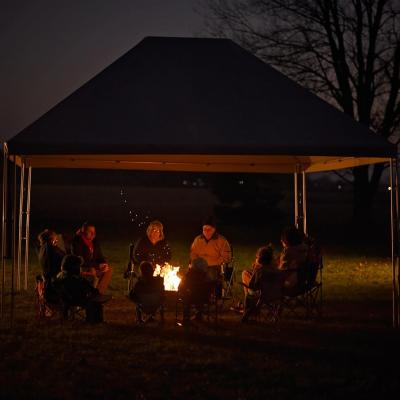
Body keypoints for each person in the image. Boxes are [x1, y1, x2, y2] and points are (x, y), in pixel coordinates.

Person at [55, 254, 110, 323]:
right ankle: (93, 320)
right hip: (74, 299)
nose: (80, 268)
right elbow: (82, 288)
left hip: (68, 298)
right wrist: (91, 292)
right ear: (73, 267)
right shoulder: (72, 279)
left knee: (95, 298)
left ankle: (97, 320)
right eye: (79, 266)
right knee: (94, 302)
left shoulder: (62, 276)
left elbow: (85, 285)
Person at [71, 222, 113, 294]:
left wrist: (104, 263)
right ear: (83, 231)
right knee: (92, 270)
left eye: (94, 232)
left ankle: (98, 293)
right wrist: (97, 266)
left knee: (109, 269)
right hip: (82, 268)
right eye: (90, 232)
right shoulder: (77, 241)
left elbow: (100, 256)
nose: (93, 234)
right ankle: (90, 295)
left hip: (92, 266)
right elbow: (81, 261)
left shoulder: (94, 241)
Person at [190, 216, 232, 282]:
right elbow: (193, 253)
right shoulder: (198, 240)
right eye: (204, 229)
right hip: (200, 266)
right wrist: (196, 263)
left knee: (210, 274)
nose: (206, 231)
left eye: (209, 229)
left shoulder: (221, 240)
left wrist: (211, 264)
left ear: (214, 229)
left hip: (215, 267)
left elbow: (226, 257)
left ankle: (209, 291)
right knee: (190, 275)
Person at [178, 257, 210, 324]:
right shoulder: (206, 277)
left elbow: (181, 287)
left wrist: (182, 292)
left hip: (190, 298)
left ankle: (186, 316)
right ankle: (199, 315)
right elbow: (210, 288)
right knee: (199, 297)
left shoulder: (188, 276)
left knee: (185, 296)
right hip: (204, 298)